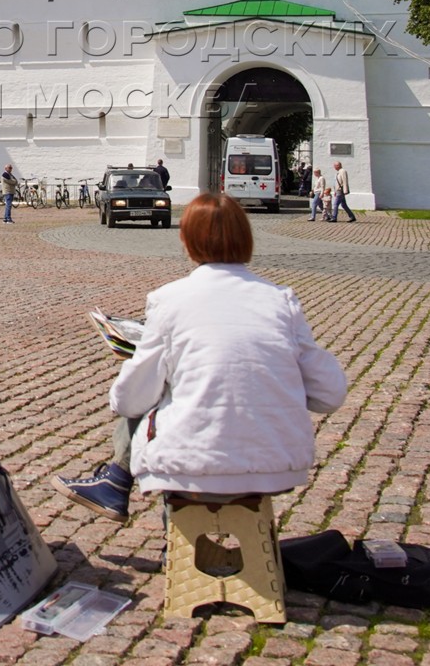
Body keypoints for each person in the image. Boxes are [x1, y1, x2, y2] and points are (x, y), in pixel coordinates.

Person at [53, 194, 346, 521]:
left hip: (192, 461)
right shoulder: (282, 301)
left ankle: (166, 536)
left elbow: (129, 400)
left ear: (186, 241)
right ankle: (120, 486)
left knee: (160, 390)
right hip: (278, 463)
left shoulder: (170, 300)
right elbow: (330, 394)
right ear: (246, 238)